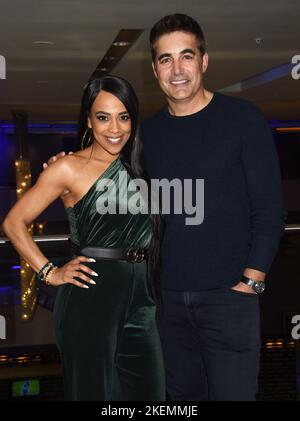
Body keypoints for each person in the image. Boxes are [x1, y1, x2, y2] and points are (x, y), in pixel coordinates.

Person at [43, 14, 284, 400]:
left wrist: (251, 281)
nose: (177, 69)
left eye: (186, 56)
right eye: (165, 59)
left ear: (204, 61)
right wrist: (60, 165)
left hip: (229, 298)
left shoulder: (243, 120)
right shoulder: (144, 136)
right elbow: (98, 174)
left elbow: (270, 209)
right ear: (155, 69)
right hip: (162, 301)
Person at [2, 76, 165, 401]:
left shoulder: (142, 165)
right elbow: (13, 222)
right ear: (89, 121)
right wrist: (50, 271)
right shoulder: (67, 168)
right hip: (92, 293)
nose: (114, 128)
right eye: (103, 117)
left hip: (142, 295)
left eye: (124, 116)